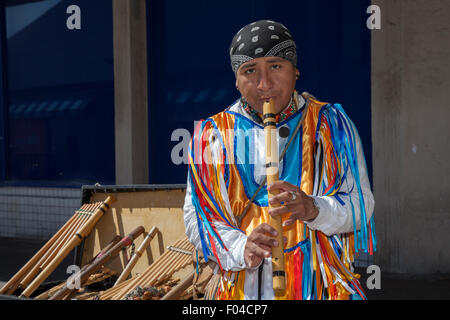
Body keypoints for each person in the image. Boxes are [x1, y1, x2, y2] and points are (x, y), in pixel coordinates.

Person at [183, 20, 376, 300]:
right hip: (243, 293)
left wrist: (314, 208)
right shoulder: (211, 136)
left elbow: (362, 205)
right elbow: (196, 218)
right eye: (250, 71)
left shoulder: (331, 125)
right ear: (236, 80)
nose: (265, 84)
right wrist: (241, 248)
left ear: (295, 70)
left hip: (320, 287)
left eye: (275, 66)